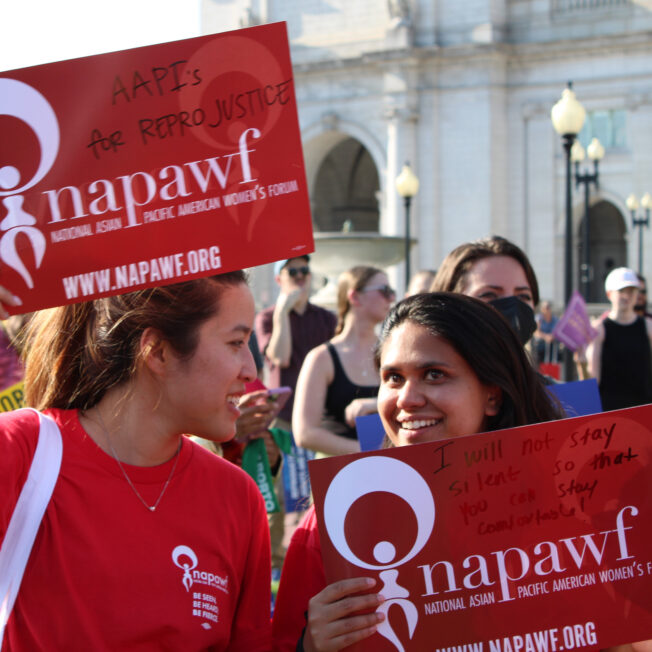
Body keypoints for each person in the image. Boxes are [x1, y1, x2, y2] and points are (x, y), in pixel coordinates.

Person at [272, 292, 564, 652]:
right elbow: (281, 643)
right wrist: (310, 647)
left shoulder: (569, 509)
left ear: (493, 395)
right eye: (393, 377)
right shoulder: (333, 524)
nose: (407, 399)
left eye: (434, 375)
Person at [1, 272, 272, 650]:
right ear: (157, 351)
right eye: (236, 343)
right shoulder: (21, 449)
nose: (251, 370)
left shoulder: (238, 497)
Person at [255, 255, 337, 570]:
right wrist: (284, 312)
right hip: (283, 418)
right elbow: (280, 355)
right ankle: (275, 564)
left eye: (305, 270)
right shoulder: (267, 317)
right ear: (279, 278)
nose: (301, 277)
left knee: (318, 491)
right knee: (277, 495)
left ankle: (317, 557)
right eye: (293, 271)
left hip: (318, 420)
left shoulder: (325, 318)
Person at [292, 266, 394, 456]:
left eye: (392, 292)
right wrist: (366, 453)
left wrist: (372, 403)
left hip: (389, 471)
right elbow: (305, 433)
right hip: (339, 476)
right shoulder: (321, 358)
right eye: (384, 291)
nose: (391, 298)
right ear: (355, 297)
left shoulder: (392, 351)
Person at [587, 267, 652, 411]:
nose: (626, 296)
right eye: (621, 291)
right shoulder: (599, 329)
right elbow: (593, 375)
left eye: (631, 291)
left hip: (644, 409)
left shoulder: (648, 326)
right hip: (611, 409)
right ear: (609, 294)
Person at [533, 300, 559, 365]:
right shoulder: (538, 318)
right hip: (540, 347)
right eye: (545, 308)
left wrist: (551, 337)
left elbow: (557, 331)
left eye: (548, 307)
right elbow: (536, 332)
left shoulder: (555, 319)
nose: (546, 310)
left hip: (552, 347)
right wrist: (546, 337)